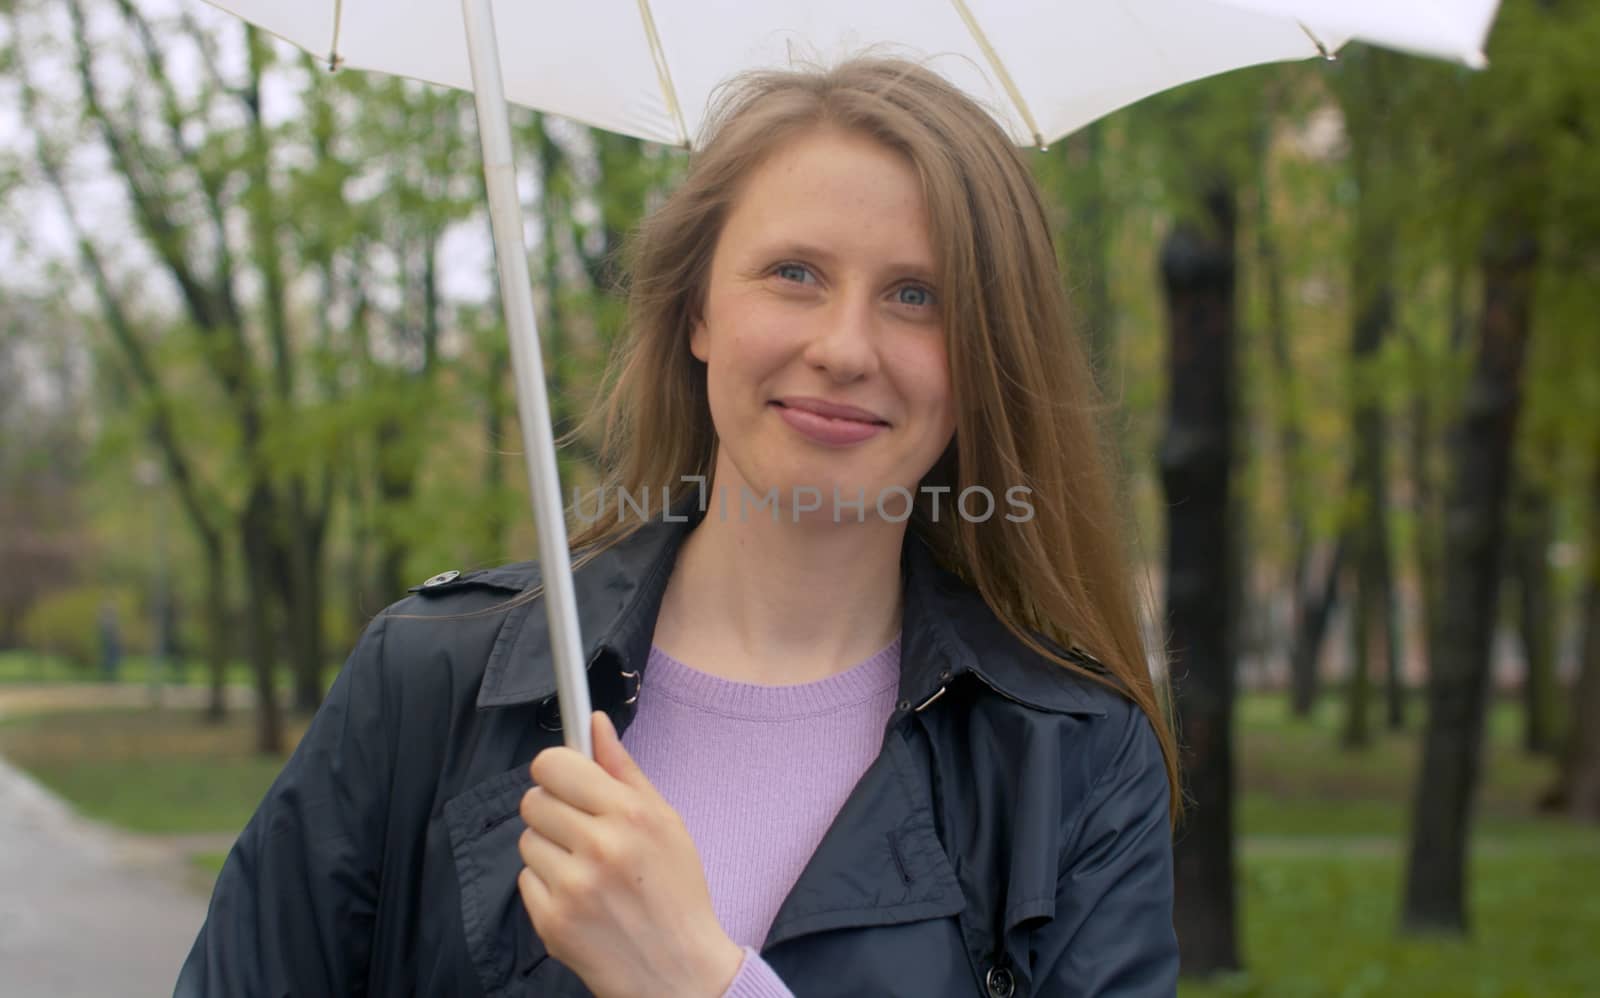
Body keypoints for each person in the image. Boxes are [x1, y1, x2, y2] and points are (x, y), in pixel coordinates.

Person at [175, 55, 1181, 997]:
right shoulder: (433, 680)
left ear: (983, 357)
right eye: (793, 272)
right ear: (696, 312)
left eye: (916, 295)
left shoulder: (1074, 757)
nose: (843, 346)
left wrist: (700, 979)